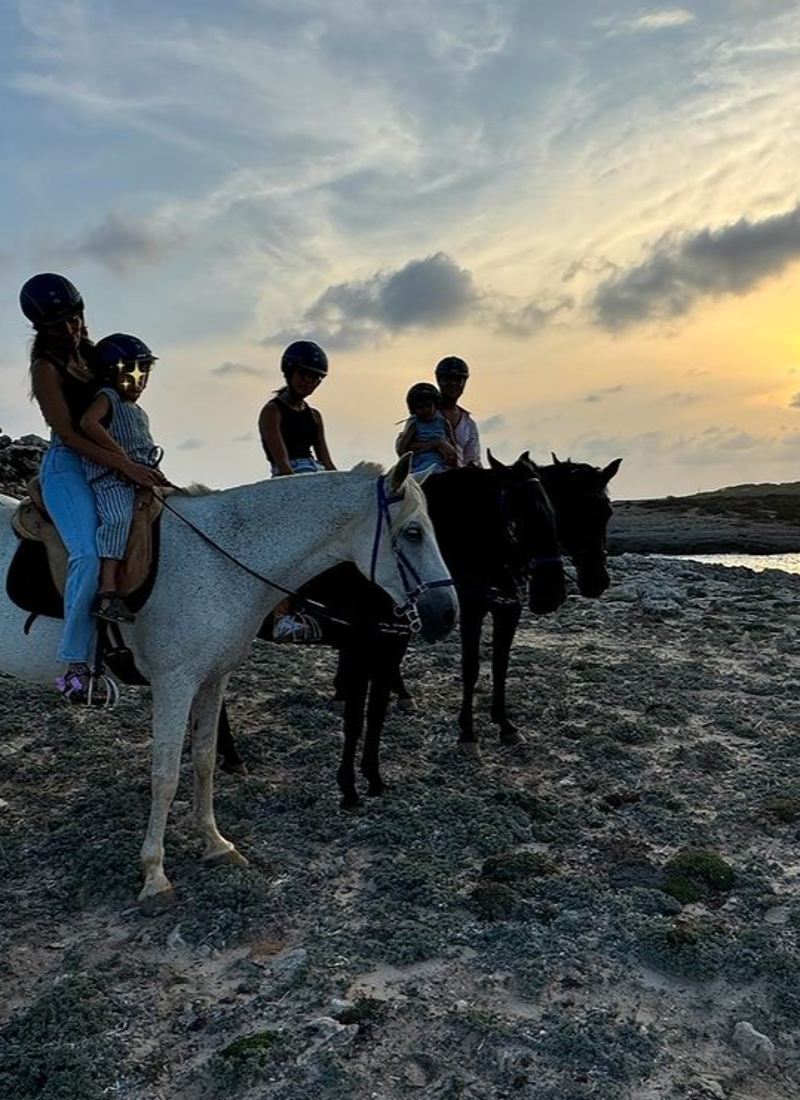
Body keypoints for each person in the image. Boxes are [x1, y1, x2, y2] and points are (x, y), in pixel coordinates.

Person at [22, 273, 165, 703]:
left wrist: (136, 460)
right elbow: (68, 434)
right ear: (40, 329)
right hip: (69, 465)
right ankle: (76, 665)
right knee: (85, 549)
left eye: (74, 318)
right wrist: (125, 465)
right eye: (57, 325)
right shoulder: (45, 367)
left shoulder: (92, 352)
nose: (70, 329)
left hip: (110, 456)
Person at [80, 334, 165, 624]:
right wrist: (122, 459)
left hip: (139, 478)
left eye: (144, 371)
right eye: (132, 371)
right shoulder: (108, 398)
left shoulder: (139, 412)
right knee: (117, 518)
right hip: (112, 478)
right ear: (110, 372)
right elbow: (88, 423)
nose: (139, 379)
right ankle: (107, 591)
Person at [258, 340, 335, 641]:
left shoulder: (314, 415)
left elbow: (327, 461)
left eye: (315, 377)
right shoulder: (272, 411)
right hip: (288, 480)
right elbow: (282, 463)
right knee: (287, 551)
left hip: (314, 475)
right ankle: (281, 616)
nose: (310, 381)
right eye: (305, 374)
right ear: (289, 372)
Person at [396, 382, 457, 477]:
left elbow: (453, 446)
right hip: (419, 467)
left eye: (429, 405)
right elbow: (402, 450)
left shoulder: (444, 423)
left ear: (436, 405)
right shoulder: (414, 424)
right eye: (420, 407)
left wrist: (451, 458)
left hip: (441, 465)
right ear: (414, 409)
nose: (426, 410)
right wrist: (432, 445)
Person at [434, 356, 481, 467]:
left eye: (458, 380)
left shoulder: (469, 423)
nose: (453, 384)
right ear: (439, 381)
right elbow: (403, 448)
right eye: (448, 379)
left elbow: (472, 458)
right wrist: (435, 444)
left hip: (459, 478)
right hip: (427, 476)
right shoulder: (425, 414)